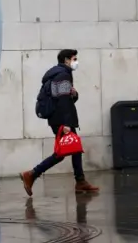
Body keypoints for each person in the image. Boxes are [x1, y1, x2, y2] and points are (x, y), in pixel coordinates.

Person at [19, 49, 99, 196]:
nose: (76, 62)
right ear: (66, 60)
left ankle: (80, 181)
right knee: (61, 153)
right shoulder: (63, 75)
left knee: (75, 149)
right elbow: (62, 101)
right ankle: (32, 174)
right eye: (74, 59)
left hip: (58, 118)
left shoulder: (58, 74)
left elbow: (63, 97)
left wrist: (74, 94)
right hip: (61, 119)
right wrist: (67, 123)